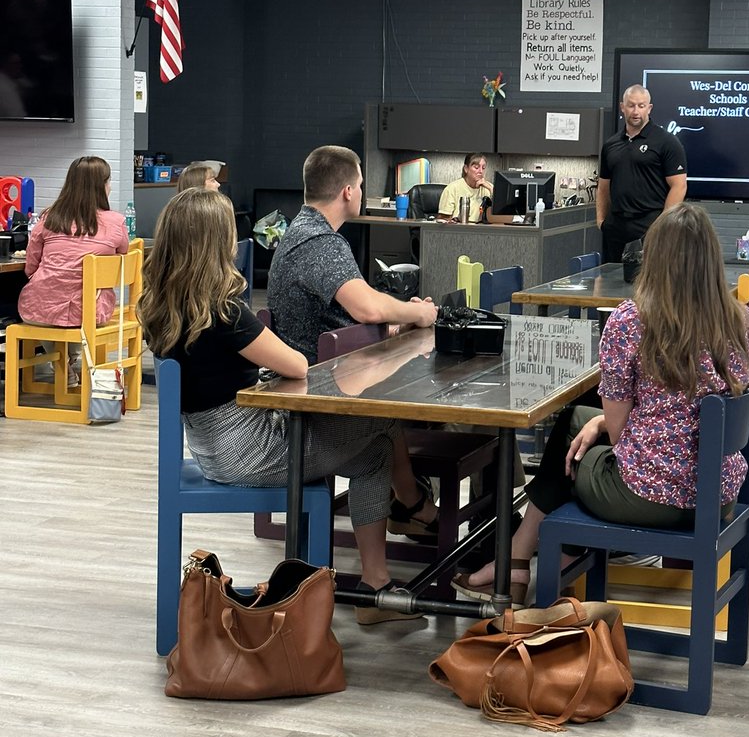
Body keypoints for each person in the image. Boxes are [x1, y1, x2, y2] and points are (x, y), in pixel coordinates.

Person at [453, 202, 749, 606]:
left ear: (653, 258)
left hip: (648, 497)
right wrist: (598, 422)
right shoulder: (741, 321)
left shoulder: (632, 321)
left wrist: (602, 424)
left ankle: (520, 557)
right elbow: (664, 416)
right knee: (578, 423)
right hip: (717, 495)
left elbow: (618, 435)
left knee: (570, 440)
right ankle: (535, 556)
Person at [138, 188, 421, 623]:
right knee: (383, 421)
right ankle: (394, 552)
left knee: (375, 452)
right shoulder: (225, 309)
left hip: (211, 450)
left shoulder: (162, 306)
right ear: (218, 243)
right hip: (251, 451)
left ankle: (385, 566)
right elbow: (297, 366)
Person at [267, 145, 441, 621]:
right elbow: (366, 309)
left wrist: (398, 317)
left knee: (384, 426)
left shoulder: (303, 233)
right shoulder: (319, 243)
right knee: (384, 432)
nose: (362, 192)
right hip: (309, 402)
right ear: (348, 190)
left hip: (314, 385)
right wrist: (421, 313)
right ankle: (411, 520)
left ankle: (406, 527)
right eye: (361, 184)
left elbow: (357, 303)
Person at [18, 155, 129, 388]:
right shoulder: (116, 222)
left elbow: (31, 265)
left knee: (42, 310)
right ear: (102, 187)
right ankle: (71, 358)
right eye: (109, 183)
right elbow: (123, 257)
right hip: (91, 313)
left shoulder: (50, 218)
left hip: (39, 310)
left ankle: (62, 364)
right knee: (78, 313)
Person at [596, 84, 687, 262]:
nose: (636, 111)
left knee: (649, 284)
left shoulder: (667, 142)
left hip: (650, 225)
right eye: (631, 105)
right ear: (622, 107)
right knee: (611, 283)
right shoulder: (610, 145)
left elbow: (679, 185)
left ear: (649, 108)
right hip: (616, 226)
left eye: (641, 105)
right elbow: (603, 187)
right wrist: (601, 221)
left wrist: (662, 225)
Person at [437, 153, 493, 222]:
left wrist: (491, 189)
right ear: (466, 169)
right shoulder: (452, 188)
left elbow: (501, 214)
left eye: (483, 168)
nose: (481, 171)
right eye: (476, 167)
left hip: (483, 229)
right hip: (459, 229)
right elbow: (442, 219)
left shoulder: (489, 187)